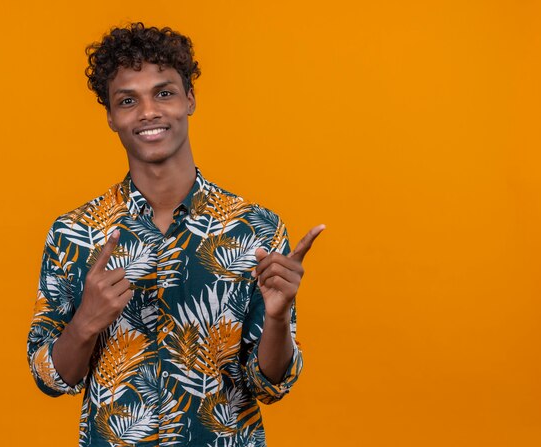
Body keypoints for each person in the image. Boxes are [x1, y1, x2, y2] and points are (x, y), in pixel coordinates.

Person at [27, 22, 324, 447]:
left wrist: (277, 320)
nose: (148, 111)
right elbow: (51, 378)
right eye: (128, 100)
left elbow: (270, 385)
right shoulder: (75, 232)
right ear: (111, 117)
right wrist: (84, 324)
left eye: (163, 93)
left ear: (190, 99)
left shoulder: (255, 228)